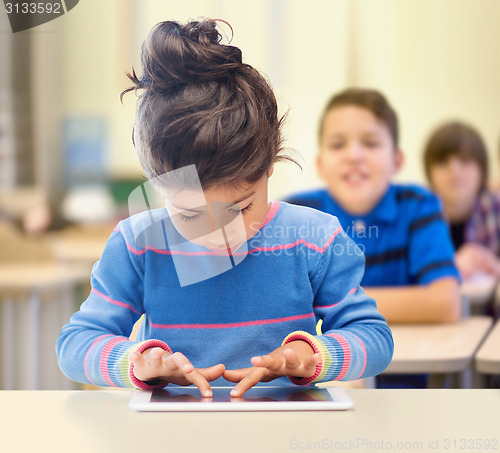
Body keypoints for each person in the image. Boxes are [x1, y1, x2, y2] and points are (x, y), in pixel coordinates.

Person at [56, 20, 393, 397]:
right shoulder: (137, 245)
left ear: (269, 167)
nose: (219, 234)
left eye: (240, 207)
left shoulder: (314, 238)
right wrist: (140, 361)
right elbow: (75, 345)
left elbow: (374, 338)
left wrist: (313, 356)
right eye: (189, 214)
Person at [285, 88, 461, 325]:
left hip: (411, 356)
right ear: (320, 164)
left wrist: (327, 304)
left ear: (396, 161)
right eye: (338, 145)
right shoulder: (295, 214)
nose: (354, 155)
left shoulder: (419, 206)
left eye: (371, 143)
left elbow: (445, 303)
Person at [423, 121, 500, 280]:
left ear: (482, 169)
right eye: (443, 162)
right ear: (429, 172)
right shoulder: (418, 214)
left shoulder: (495, 208)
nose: (455, 171)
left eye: (465, 161)